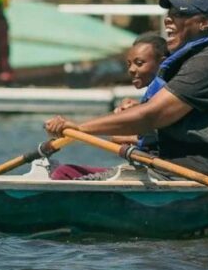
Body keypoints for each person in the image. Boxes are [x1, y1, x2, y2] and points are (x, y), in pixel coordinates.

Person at [45, 0, 208, 181]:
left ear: (204, 23)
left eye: (179, 14)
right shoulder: (194, 59)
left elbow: (151, 116)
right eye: (169, 14)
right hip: (181, 163)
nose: (168, 20)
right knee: (65, 173)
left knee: (68, 178)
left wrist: (81, 128)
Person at [50, 33, 168, 180]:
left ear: (162, 63)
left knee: (63, 174)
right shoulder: (155, 93)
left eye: (139, 63)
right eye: (129, 64)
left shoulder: (166, 93)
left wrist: (78, 127)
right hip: (144, 168)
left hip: (155, 173)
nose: (131, 69)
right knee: (65, 171)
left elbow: (152, 129)